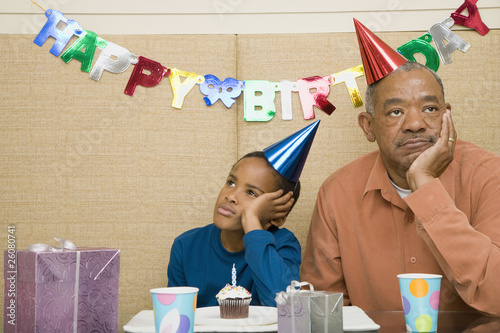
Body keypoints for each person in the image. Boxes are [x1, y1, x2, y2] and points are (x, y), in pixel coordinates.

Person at [301, 19, 500, 316]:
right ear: (368, 127)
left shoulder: (490, 176)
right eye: (395, 112)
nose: (415, 124)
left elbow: (497, 294)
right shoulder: (337, 193)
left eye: (430, 109)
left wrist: (424, 183)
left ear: (447, 116)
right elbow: (323, 310)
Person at [168, 121, 320, 307]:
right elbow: (175, 317)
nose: (231, 196)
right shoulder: (186, 246)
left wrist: (252, 220)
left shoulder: (283, 244)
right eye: (231, 182)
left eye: (251, 193)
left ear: (277, 216)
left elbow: (286, 307)